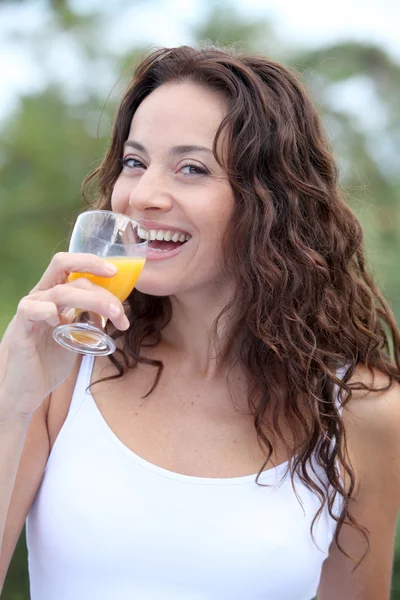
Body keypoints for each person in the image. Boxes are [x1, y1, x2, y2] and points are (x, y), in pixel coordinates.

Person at [0, 45, 400, 600]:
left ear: (274, 201)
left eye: (192, 168)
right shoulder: (61, 369)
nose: (142, 196)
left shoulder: (362, 410)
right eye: (135, 162)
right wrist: (11, 401)